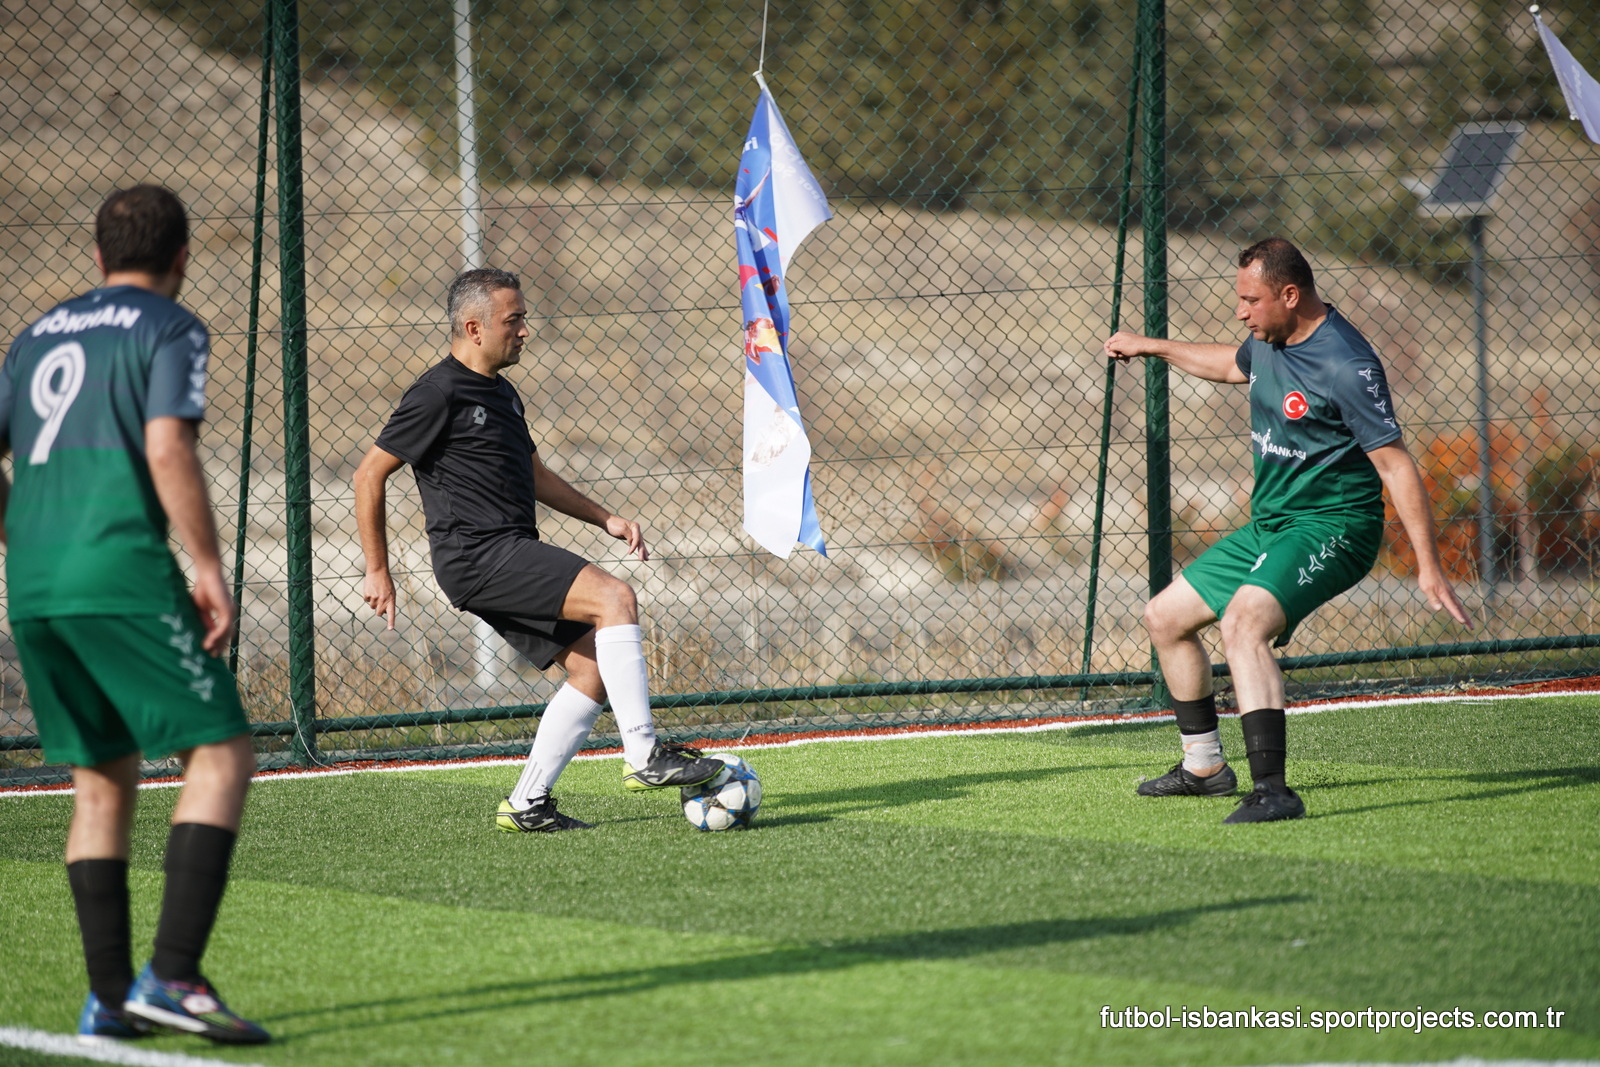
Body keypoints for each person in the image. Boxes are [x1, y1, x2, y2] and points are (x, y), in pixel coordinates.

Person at [0, 186, 269, 1043]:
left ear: (97, 255)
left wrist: (22, 534)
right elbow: (166, 444)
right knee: (221, 752)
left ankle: (110, 997)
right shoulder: (170, 326)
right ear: (182, 257)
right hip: (119, 569)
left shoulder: (36, 335)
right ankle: (175, 975)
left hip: (34, 582)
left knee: (102, 779)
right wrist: (210, 566)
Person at [1102, 237, 1471, 823]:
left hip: (1335, 526)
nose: (1241, 312)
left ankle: (1273, 791)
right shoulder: (1267, 341)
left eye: (1251, 300)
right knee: (1163, 618)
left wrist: (1428, 565)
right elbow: (1232, 365)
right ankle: (1205, 767)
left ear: (1290, 295)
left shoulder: (1346, 364)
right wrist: (1153, 346)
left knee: (1242, 622)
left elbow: (1396, 466)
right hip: (1272, 526)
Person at [354, 268, 723, 832]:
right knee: (615, 598)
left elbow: (537, 476)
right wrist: (377, 570)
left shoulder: (503, 393)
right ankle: (644, 755)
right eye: (514, 320)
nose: (525, 330)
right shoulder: (438, 392)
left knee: (593, 669)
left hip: (506, 550)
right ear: (474, 328)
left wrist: (605, 518)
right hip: (477, 556)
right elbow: (368, 475)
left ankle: (527, 803)